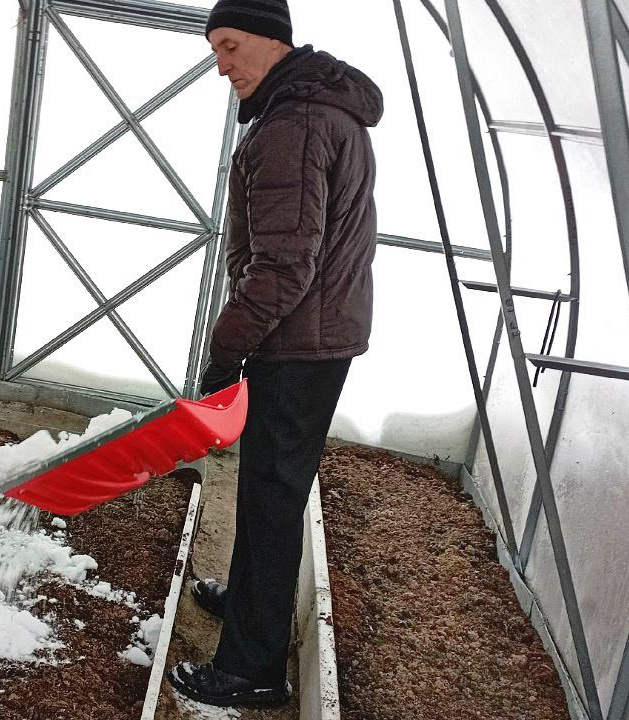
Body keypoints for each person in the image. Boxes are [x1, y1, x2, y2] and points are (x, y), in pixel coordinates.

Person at [167, 0, 383, 708]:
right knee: (271, 488)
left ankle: (251, 670)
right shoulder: (321, 108)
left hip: (298, 341)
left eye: (229, 46)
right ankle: (253, 608)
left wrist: (226, 347)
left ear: (271, 39)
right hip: (316, 335)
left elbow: (285, 264)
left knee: (272, 491)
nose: (221, 65)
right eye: (214, 51)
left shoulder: (295, 123)